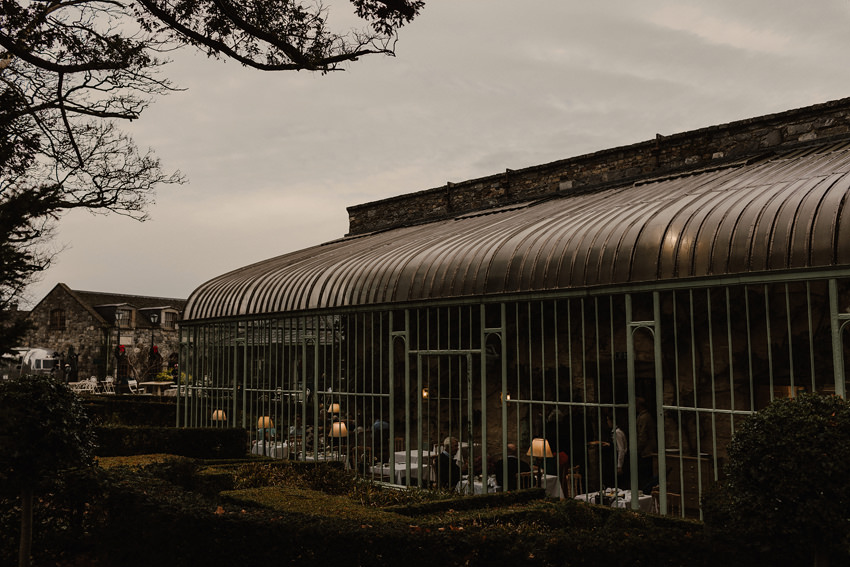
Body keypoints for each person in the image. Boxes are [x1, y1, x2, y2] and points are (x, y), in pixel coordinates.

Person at [636, 397, 657, 493]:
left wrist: (637, 450)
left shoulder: (644, 417)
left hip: (646, 452)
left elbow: (642, 436)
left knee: (645, 477)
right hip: (648, 451)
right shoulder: (644, 416)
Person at [608, 414, 627, 486]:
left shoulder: (617, 433)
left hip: (619, 461)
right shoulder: (615, 432)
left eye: (608, 420)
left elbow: (621, 449)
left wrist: (619, 466)